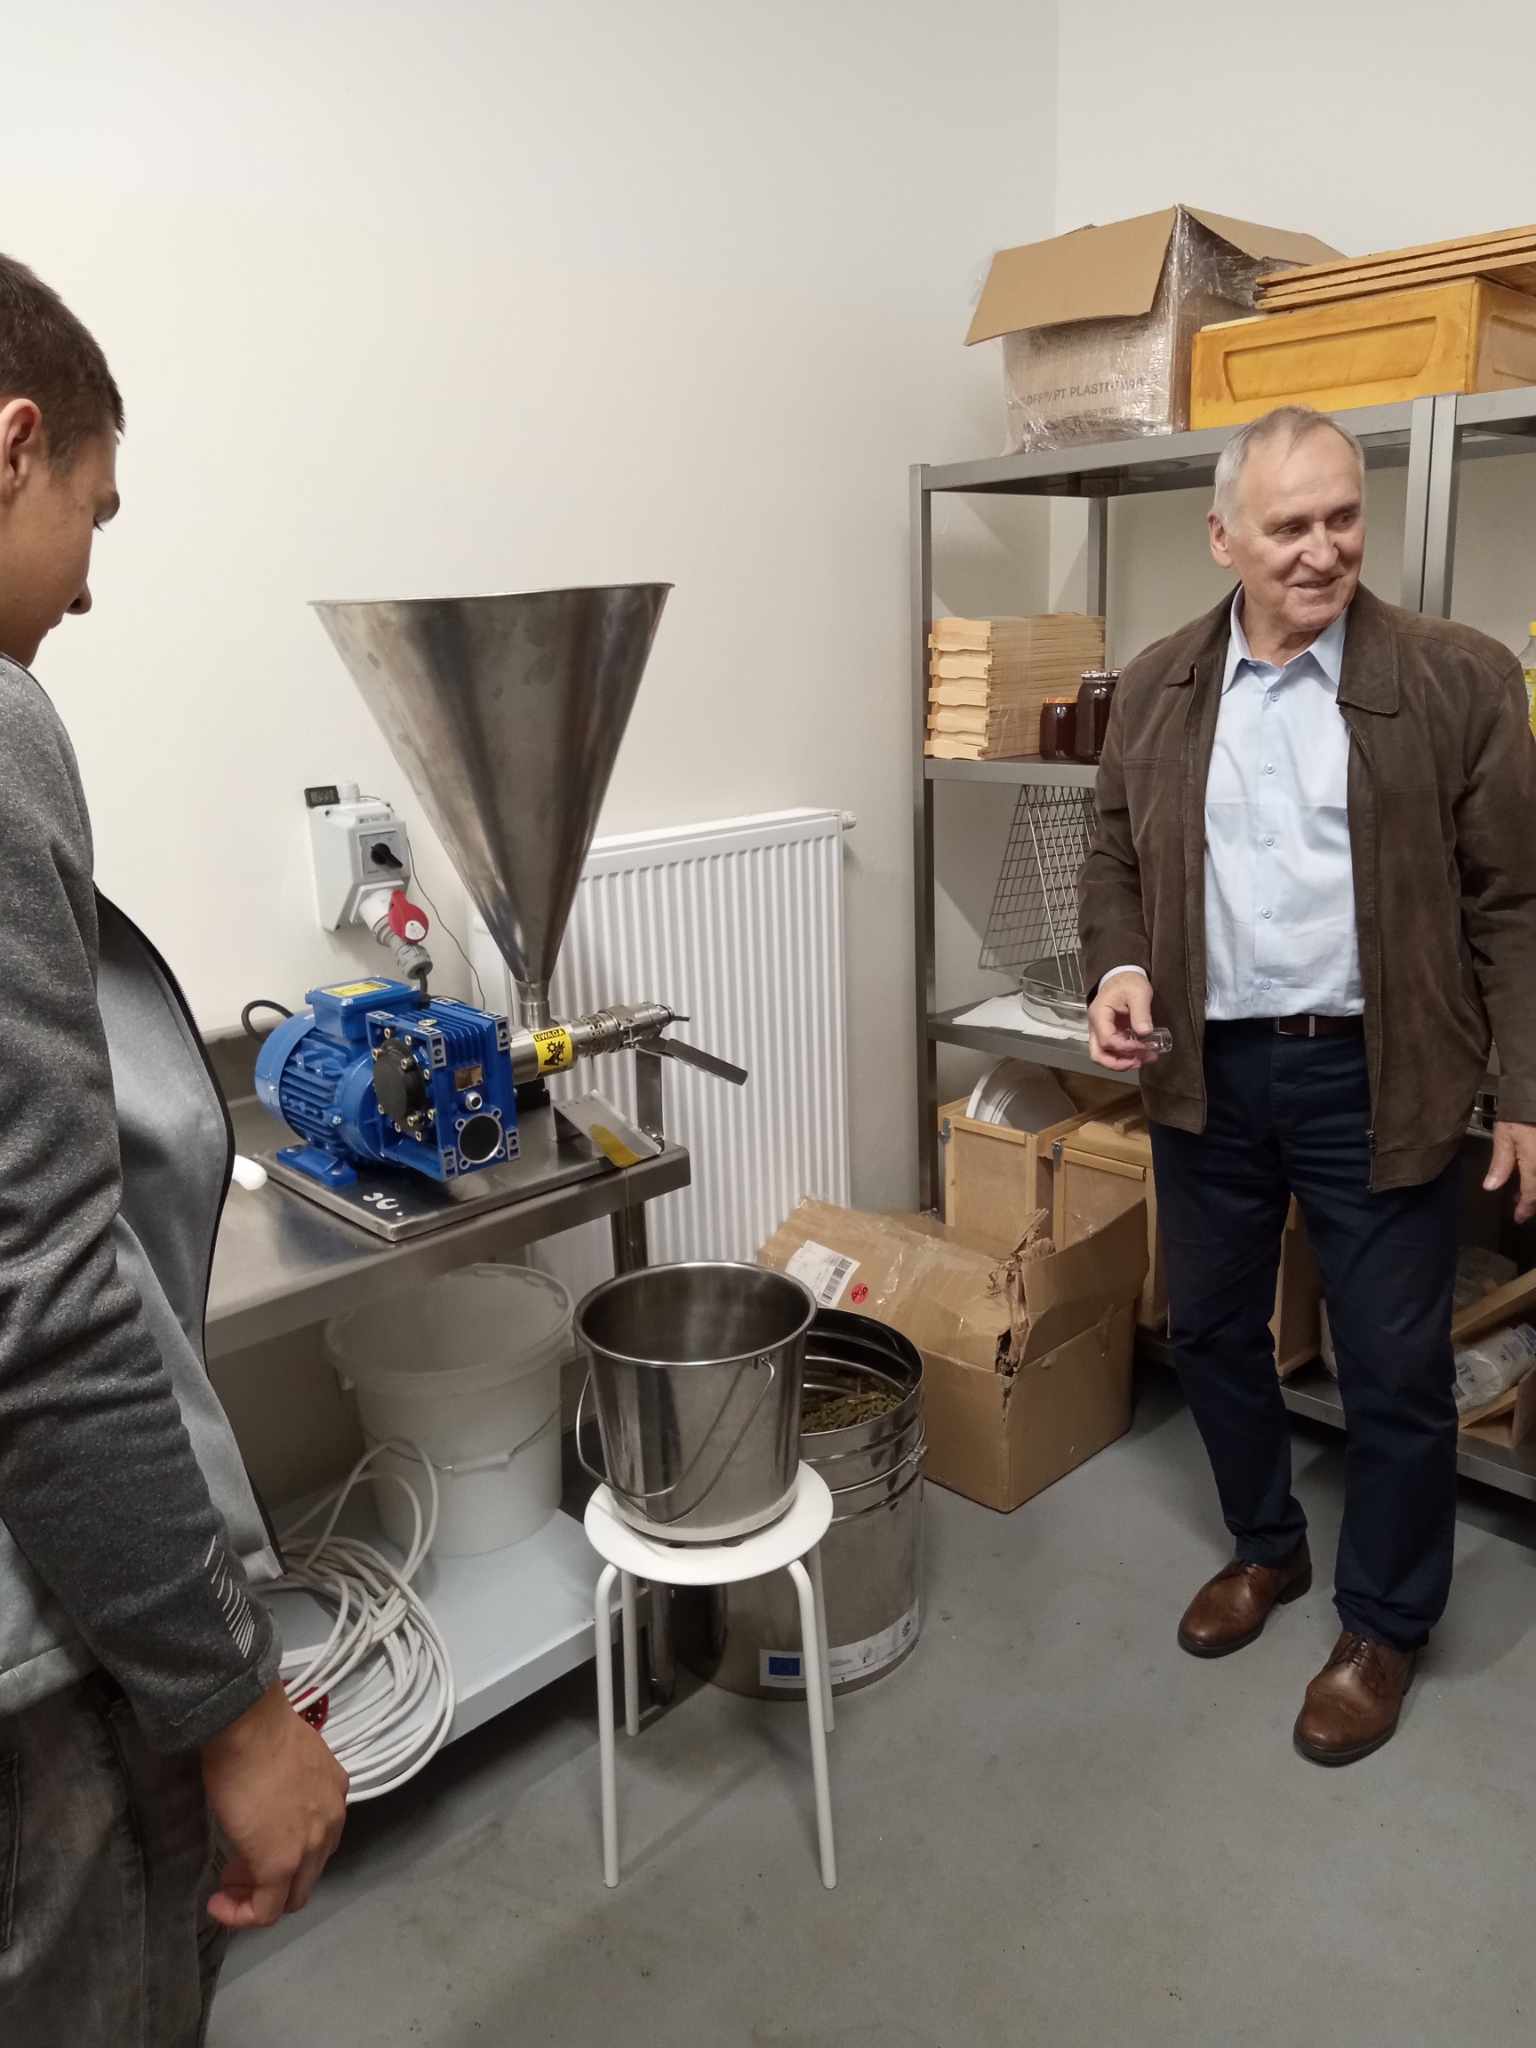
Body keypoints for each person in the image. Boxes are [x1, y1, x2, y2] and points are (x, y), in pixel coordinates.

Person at [0, 252, 348, 2043]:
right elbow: (43, 1299)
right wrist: (234, 1705)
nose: (87, 582)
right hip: (44, 1657)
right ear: (14, 446)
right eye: (94, 514)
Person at [1079, 403, 1536, 1766]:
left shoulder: (1457, 678)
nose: (1324, 549)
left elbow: (1515, 903)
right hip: (1205, 1072)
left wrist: (1525, 1087)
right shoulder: (1159, 684)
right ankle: (1266, 1546)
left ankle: (1384, 1623)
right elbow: (1112, 855)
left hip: (1376, 1075)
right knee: (1215, 1329)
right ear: (1224, 536)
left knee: (1392, 1367)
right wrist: (1117, 967)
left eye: (1343, 516)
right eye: (1290, 525)